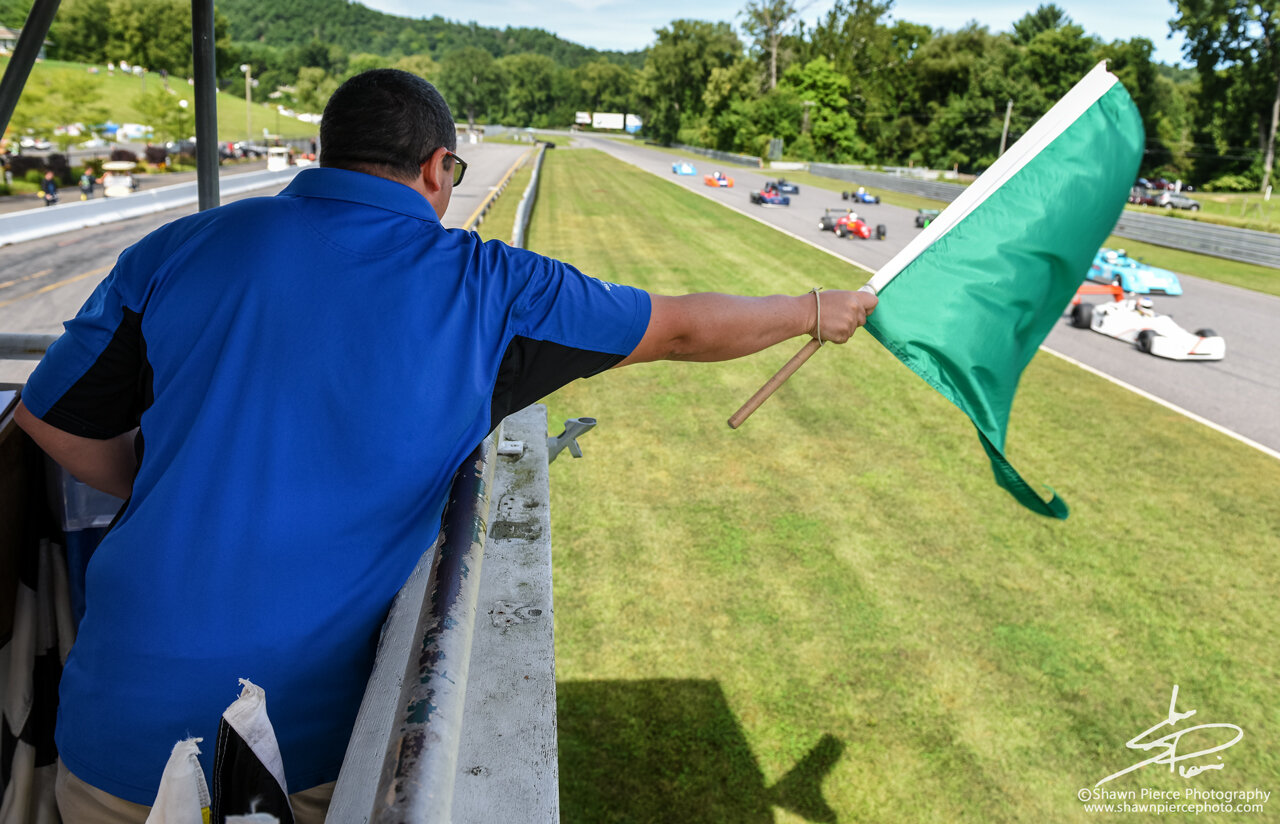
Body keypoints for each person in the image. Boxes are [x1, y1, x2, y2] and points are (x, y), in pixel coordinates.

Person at [14, 69, 876, 823]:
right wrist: (810, 309)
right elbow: (684, 328)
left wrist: (169, 483)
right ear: (439, 170)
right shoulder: (491, 283)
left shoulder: (176, 246)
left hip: (109, 721)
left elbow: (48, 416)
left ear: (323, 153)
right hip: (288, 753)